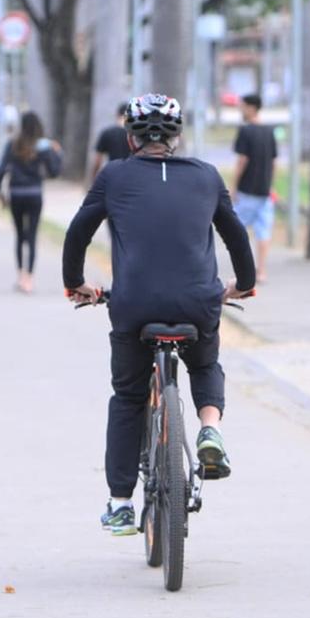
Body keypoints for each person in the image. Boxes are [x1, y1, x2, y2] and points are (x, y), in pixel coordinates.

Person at [62, 93, 256, 536]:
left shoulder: (113, 176)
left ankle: (120, 503)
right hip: (198, 303)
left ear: (129, 138)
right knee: (204, 363)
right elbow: (236, 237)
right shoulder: (207, 177)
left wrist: (77, 284)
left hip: (134, 305)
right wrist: (241, 284)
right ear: (177, 137)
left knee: (129, 397)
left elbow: (77, 234)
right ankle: (210, 429)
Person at [0, 111, 62, 293]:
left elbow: (1, 170)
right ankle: (29, 279)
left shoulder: (13, 144)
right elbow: (55, 171)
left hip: (16, 193)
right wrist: (58, 153)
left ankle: (20, 275)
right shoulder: (43, 146)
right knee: (32, 236)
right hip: (34, 193)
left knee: (19, 235)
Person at [232, 93, 277, 283]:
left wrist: (233, 186)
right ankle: (262, 271)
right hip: (264, 191)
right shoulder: (269, 131)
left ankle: (243, 272)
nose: (240, 110)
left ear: (251, 108)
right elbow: (273, 161)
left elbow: (242, 160)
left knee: (236, 231)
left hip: (247, 190)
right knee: (263, 232)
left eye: (242, 106)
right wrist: (271, 186)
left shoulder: (246, 131)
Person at [89, 102, 131, 180]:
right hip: (130, 176)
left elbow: (97, 160)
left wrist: (93, 178)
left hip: (112, 175)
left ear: (117, 115)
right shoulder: (134, 135)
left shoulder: (107, 133)